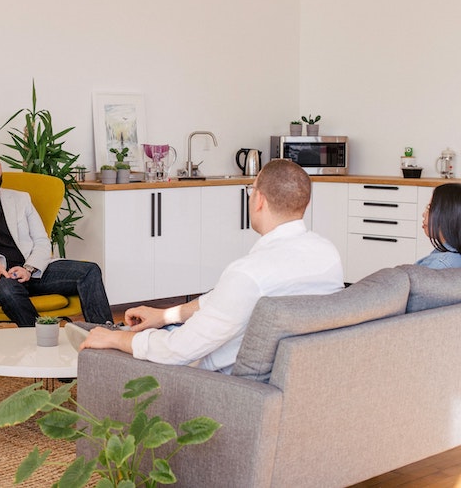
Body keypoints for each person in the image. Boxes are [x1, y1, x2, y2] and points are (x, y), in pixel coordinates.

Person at [81, 159, 345, 371]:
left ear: (260, 200)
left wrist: (117, 339)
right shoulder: (327, 255)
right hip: (290, 376)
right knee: (136, 331)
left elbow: (177, 351)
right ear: (306, 203)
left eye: (251, 190)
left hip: (217, 382)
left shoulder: (249, 274)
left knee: (107, 337)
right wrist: (166, 316)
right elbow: (225, 301)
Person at [0, 143, 113, 327]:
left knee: (90, 270)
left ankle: (104, 336)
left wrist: (29, 268)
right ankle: (43, 341)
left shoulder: (21, 199)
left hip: (32, 272)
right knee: (9, 291)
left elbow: (42, 240)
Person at [415, 182, 461, 269]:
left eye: (429, 208)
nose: (423, 214)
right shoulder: (451, 254)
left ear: (448, 215)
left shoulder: (439, 266)